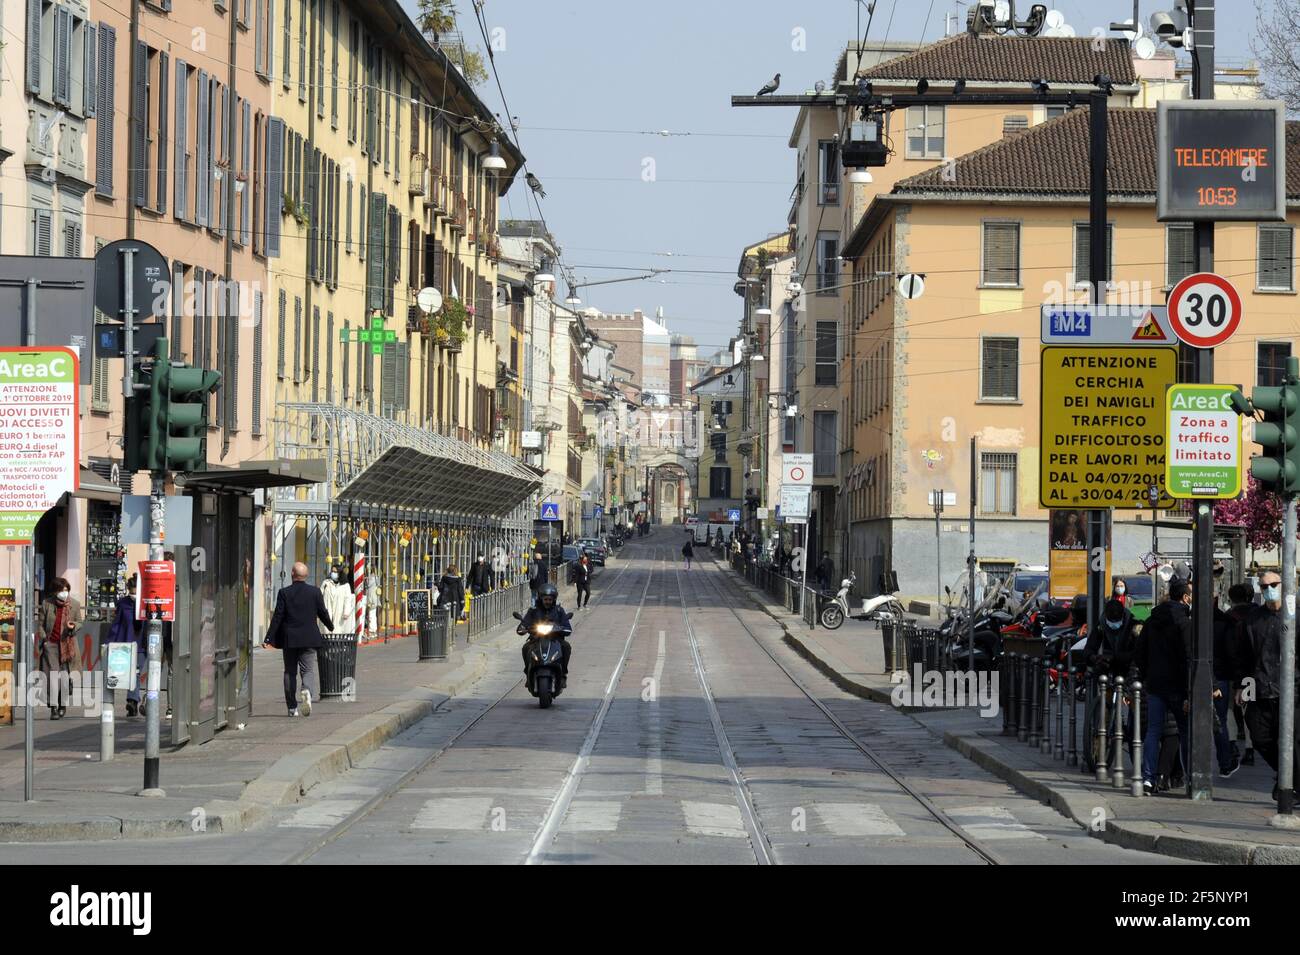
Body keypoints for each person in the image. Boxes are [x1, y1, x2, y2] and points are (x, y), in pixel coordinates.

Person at [1233, 570, 1299, 801]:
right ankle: (1287, 776)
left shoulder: (1294, 616)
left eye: (1273, 584)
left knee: (1291, 741)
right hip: (1260, 688)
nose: (1269, 589)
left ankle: (1291, 783)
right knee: (1259, 736)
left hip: (1291, 692)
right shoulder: (1253, 620)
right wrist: (1243, 687)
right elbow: (1244, 657)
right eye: (1264, 586)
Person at [1135, 578, 1192, 793]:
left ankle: (1148, 778)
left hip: (1155, 684)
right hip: (1178, 686)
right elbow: (1189, 657)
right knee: (1185, 731)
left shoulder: (1151, 621)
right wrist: (1188, 690)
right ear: (1185, 597)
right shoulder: (1185, 623)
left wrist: (1147, 674)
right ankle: (1190, 776)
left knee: (1153, 731)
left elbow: (1140, 654)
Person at [263, 562, 333, 717]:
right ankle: (307, 690)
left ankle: (292, 708)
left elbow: (278, 617)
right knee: (308, 670)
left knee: (289, 672)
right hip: (309, 638)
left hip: (290, 639)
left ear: (292, 574)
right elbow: (322, 612)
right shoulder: (315, 592)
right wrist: (330, 625)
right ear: (306, 575)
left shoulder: (284, 592)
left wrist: (268, 637)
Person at [1212, 583, 1252, 779]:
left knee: (1228, 712)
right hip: (1252, 673)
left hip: (1234, 673)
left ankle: (1234, 745)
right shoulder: (1257, 614)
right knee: (1248, 708)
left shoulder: (1229, 618)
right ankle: (1251, 749)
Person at [36, 576, 82, 720]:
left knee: (64, 677)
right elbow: (41, 624)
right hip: (51, 645)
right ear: (55, 591)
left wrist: (73, 626)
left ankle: (62, 704)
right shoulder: (46, 604)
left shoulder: (74, 604)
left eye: (67, 590)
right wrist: (44, 639)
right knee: (52, 677)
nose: (64, 593)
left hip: (68, 645)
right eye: (62, 590)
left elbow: (79, 622)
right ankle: (53, 707)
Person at [105, 575, 145, 717]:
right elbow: (116, 624)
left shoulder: (145, 602)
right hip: (126, 644)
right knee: (127, 673)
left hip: (142, 645)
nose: (134, 595)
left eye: (136, 592)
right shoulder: (123, 603)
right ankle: (132, 701)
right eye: (132, 592)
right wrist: (109, 642)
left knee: (136, 672)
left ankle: (132, 701)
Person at [519, 583, 572, 687]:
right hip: (536, 639)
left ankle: (563, 674)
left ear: (553, 600)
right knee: (525, 648)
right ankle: (527, 673)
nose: (547, 602)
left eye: (550, 599)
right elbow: (524, 623)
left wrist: (561, 628)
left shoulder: (559, 610)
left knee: (566, 647)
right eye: (545, 599)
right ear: (541, 599)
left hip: (555, 639)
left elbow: (567, 627)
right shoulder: (533, 611)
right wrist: (523, 628)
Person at [321, 563, 354, 636]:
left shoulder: (345, 585)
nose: (333, 573)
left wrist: (346, 612)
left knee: (337, 630)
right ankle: (327, 644)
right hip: (327, 609)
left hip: (339, 611)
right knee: (326, 630)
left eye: (335, 572)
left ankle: (336, 645)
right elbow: (320, 596)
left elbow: (347, 599)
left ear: (340, 573)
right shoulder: (326, 583)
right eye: (332, 571)